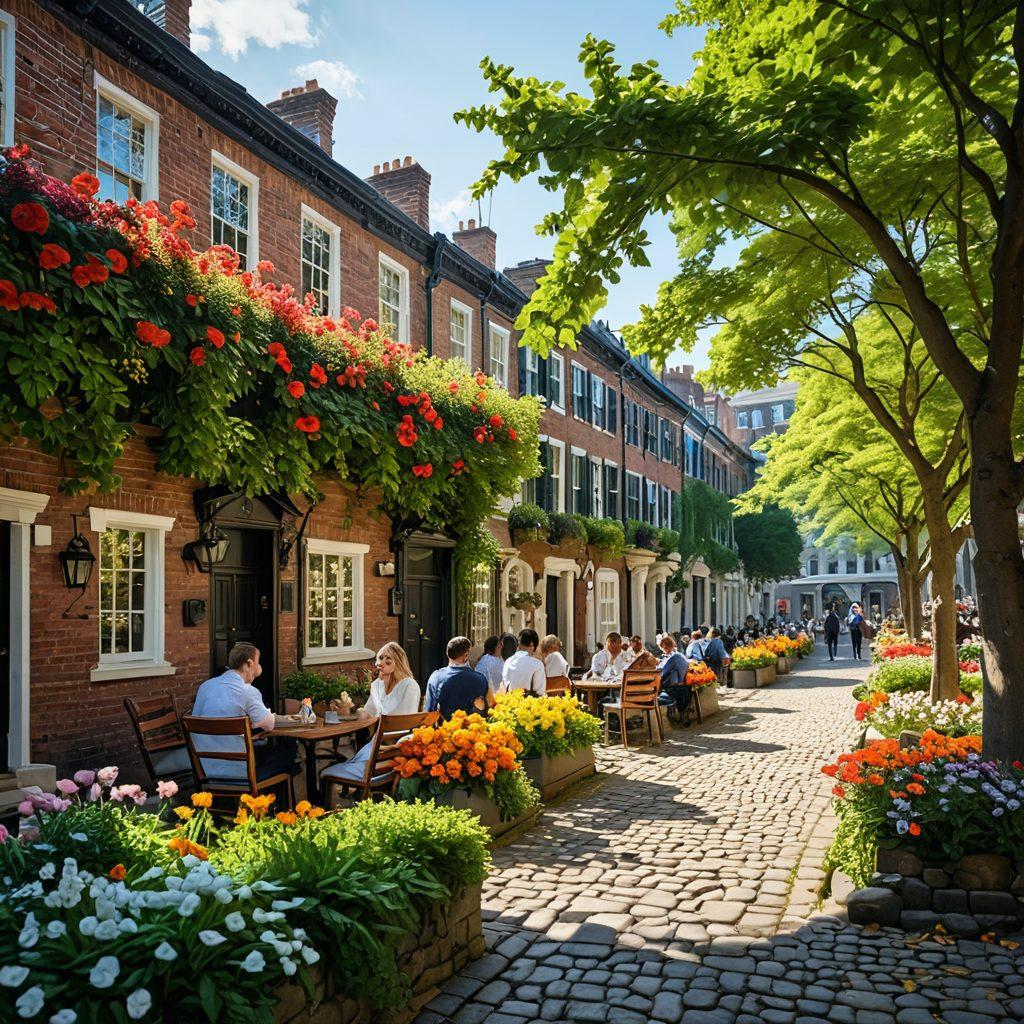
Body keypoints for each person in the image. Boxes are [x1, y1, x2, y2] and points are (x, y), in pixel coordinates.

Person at [192, 642, 298, 781]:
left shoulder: (205, 686)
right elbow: (268, 724)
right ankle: (270, 799)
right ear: (248, 664)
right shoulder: (247, 690)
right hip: (239, 772)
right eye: (257, 663)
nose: (259, 668)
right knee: (290, 753)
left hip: (205, 768)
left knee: (263, 750)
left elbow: (196, 719)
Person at [322, 643, 420, 787]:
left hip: (392, 753)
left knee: (325, 773)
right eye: (381, 658)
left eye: (388, 659)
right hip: (376, 750)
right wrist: (349, 710)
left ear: (399, 662)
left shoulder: (409, 685)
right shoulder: (377, 686)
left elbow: (405, 723)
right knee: (330, 770)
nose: (382, 662)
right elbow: (367, 713)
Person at [426, 637, 489, 719]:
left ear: (447, 654)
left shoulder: (436, 677)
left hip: (445, 729)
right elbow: (486, 708)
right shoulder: (481, 678)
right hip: (474, 729)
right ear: (466, 655)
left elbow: (430, 712)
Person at [501, 628, 547, 695]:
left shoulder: (508, 662)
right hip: (530, 704)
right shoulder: (537, 664)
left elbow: (505, 685)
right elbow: (540, 691)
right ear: (532, 646)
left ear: (519, 644)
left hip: (509, 703)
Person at [657, 634, 692, 720]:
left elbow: (662, 673)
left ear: (662, 647)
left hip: (673, 688)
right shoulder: (680, 655)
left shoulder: (672, 658)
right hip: (682, 687)